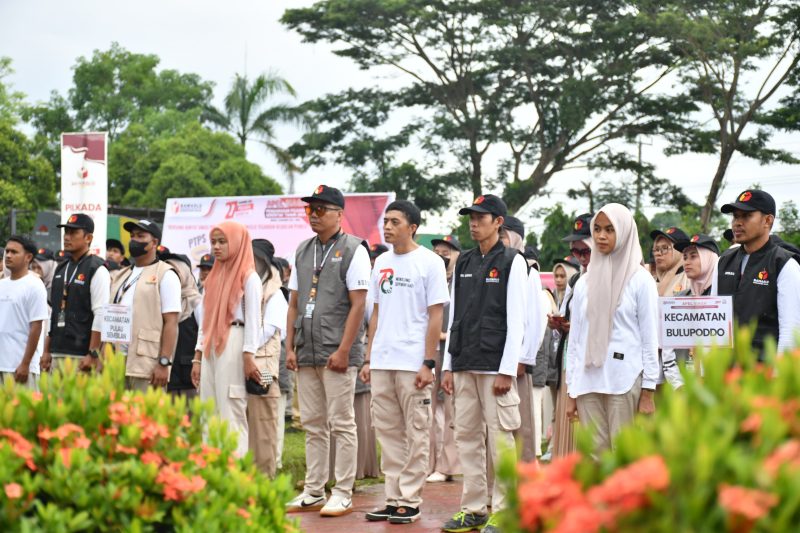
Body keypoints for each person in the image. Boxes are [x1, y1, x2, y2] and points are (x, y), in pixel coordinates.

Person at [441, 194, 528, 533]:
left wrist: (508, 369)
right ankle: (473, 508)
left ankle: (505, 510)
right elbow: (454, 319)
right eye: (470, 218)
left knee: (501, 440)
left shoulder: (512, 261)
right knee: (467, 438)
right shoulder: (462, 262)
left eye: (480, 217)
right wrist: (448, 365)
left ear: (498, 222)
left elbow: (517, 320)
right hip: (464, 362)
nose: (473, 223)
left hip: (495, 367)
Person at [359, 200, 449, 524]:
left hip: (413, 362)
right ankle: (393, 496)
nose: (388, 226)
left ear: (413, 227)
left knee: (417, 431)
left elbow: (435, 313)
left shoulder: (430, 263)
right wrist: (368, 358)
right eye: (386, 221)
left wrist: (429, 361)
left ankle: (410, 499)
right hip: (383, 360)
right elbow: (376, 313)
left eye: (395, 221)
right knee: (388, 432)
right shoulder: (381, 261)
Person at [284, 185, 371, 517]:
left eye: (321, 210)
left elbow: (358, 303)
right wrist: (289, 347)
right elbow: (294, 302)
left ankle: (344, 490)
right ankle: (313, 489)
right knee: (313, 423)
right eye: (310, 210)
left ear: (339, 214)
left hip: (337, 352)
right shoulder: (303, 250)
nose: (314, 216)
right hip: (307, 351)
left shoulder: (354, 250)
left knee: (342, 423)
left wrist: (345, 349)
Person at [565, 204, 659, 455]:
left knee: (625, 456)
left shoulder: (640, 280)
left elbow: (651, 339)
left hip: (624, 381)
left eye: (609, 230)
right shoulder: (585, 282)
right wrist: (571, 390)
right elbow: (576, 340)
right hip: (588, 382)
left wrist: (648, 391)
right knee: (595, 458)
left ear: (625, 233)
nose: (601, 236)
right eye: (596, 229)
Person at [192, 221, 263, 457]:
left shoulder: (249, 277)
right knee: (208, 410)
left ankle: (235, 479)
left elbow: (254, 319)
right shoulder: (212, 277)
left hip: (235, 340)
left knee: (231, 409)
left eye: (223, 241)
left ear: (237, 242)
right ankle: (211, 475)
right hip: (211, 343)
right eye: (213, 242)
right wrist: (197, 356)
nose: (217, 247)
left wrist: (249, 354)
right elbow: (206, 319)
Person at [712, 189, 800, 358]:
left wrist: (777, 378)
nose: (737, 223)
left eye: (746, 216)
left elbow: (791, 329)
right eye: (735, 216)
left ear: (768, 220)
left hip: (762, 375)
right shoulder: (723, 262)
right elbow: (714, 321)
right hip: (726, 373)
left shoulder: (785, 264)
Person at [109, 220, 181, 391]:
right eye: (132, 236)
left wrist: (164, 362)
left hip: (146, 363)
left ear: (154, 242)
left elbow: (171, 322)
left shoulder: (166, 274)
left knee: (144, 415)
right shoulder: (122, 274)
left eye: (141, 236)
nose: (134, 240)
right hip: (115, 360)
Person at [500, 215, 545, 463]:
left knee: (521, 423)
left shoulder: (528, 270)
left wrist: (523, 359)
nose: (500, 241)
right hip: (495, 361)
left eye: (504, 235)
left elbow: (535, 322)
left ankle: (525, 475)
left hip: (518, 363)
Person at [548, 214, 593, 458]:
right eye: (576, 252)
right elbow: (568, 314)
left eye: (585, 251)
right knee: (566, 422)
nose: (580, 257)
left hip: (592, 363)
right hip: (569, 358)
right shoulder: (576, 279)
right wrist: (559, 323)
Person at [41, 214, 110, 374]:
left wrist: (93, 353)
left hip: (81, 356)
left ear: (88, 237)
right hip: (57, 352)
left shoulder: (97, 269)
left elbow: (101, 314)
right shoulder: (61, 268)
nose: (67, 237)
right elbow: (55, 314)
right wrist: (46, 350)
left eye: (73, 233)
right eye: (66, 232)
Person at [247, 238, 288, 477]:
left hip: (263, 367)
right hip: (241, 361)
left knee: (263, 423)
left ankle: (264, 475)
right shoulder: (242, 283)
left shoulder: (275, 293)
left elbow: (269, 330)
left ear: (264, 261)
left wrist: (244, 346)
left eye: (255, 257)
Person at [661, 234, 720, 389]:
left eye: (694, 256)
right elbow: (668, 351)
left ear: (710, 258)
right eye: (685, 257)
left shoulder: (723, 301)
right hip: (682, 388)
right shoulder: (679, 300)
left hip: (716, 387)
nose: (687, 262)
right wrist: (677, 385)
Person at [428, 234, 462, 483]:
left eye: (447, 250)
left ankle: (448, 465)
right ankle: (427, 463)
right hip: (430, 349)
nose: (442, 254)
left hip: (453, 350)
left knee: (451, 408)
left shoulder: (462, 280)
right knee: (426, 407)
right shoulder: (431, 277)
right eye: (438, 250)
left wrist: (444, 334)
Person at [540, 257, 580, 462]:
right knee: (560, 409)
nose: (558, 279)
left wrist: (573, 327)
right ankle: (558, 449)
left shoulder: (580, 286)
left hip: (577, 360)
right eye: (556, 275)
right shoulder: (558, 294)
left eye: (563, 275)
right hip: (561, 358)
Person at [0, 236, 49, 389]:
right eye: (7, 251)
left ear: (28, 257)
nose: (8, 255)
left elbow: (36, 327)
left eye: (14, 252)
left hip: (20, 368)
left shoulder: (34, 285)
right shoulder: (2, 284)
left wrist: (25, 363)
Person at [155, 246, 203, 399]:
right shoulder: (158, 298)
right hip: (159, 374)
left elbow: (204, 335)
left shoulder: (197, 303)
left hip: (186, 378)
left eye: (176, 271)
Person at [650, 227, 690, 296]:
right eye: (656, 249)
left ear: (679, 251)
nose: (658, 253)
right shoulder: (649, 281)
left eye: (665, 248)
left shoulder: (689, 279)